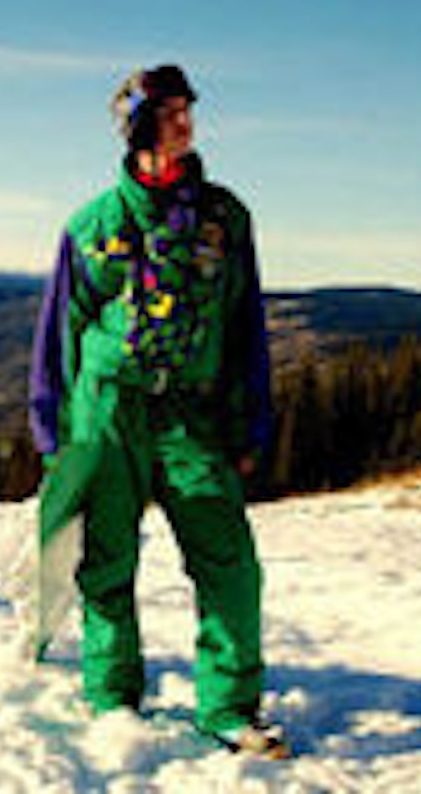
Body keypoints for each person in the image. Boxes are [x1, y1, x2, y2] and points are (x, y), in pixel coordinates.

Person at [28, 65, 285, 758]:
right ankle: (112, 697)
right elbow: (59, 333)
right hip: (107, 407)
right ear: (138, 125)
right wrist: (53, 434)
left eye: (187, 109)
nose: (186, 123)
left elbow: (246, 325)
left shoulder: (225, 219)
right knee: (107, 557)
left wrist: (251, 422)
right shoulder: (92, 226)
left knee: (229, 558)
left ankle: (228, 707)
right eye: (170, 112)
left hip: (192, 410)